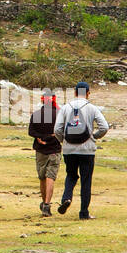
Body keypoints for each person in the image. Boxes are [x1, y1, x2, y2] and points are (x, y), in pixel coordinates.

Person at [53, 81, 109, 219]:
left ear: (75, 93)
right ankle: (84, 212)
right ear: (88, 93)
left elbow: (57, 129)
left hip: (69, 149)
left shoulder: (66, 107)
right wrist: (93, 137)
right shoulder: (92, 108)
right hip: (87, 150)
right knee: (86, 180)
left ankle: (66, 198)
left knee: (71, 175)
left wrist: (63, 141)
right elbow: (104, 127)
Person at [27, 90, 62, 216]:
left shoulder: (36, 114)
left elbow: (31, 131)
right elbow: (62, 131)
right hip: (54, 149)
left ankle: (44, 203)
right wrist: (51, 136)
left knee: (42, 177)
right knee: (50, 177)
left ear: (42, 100)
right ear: (54, 99)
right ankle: (47, 204)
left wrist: (39, 137)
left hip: (40, 150)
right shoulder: (59, 114)